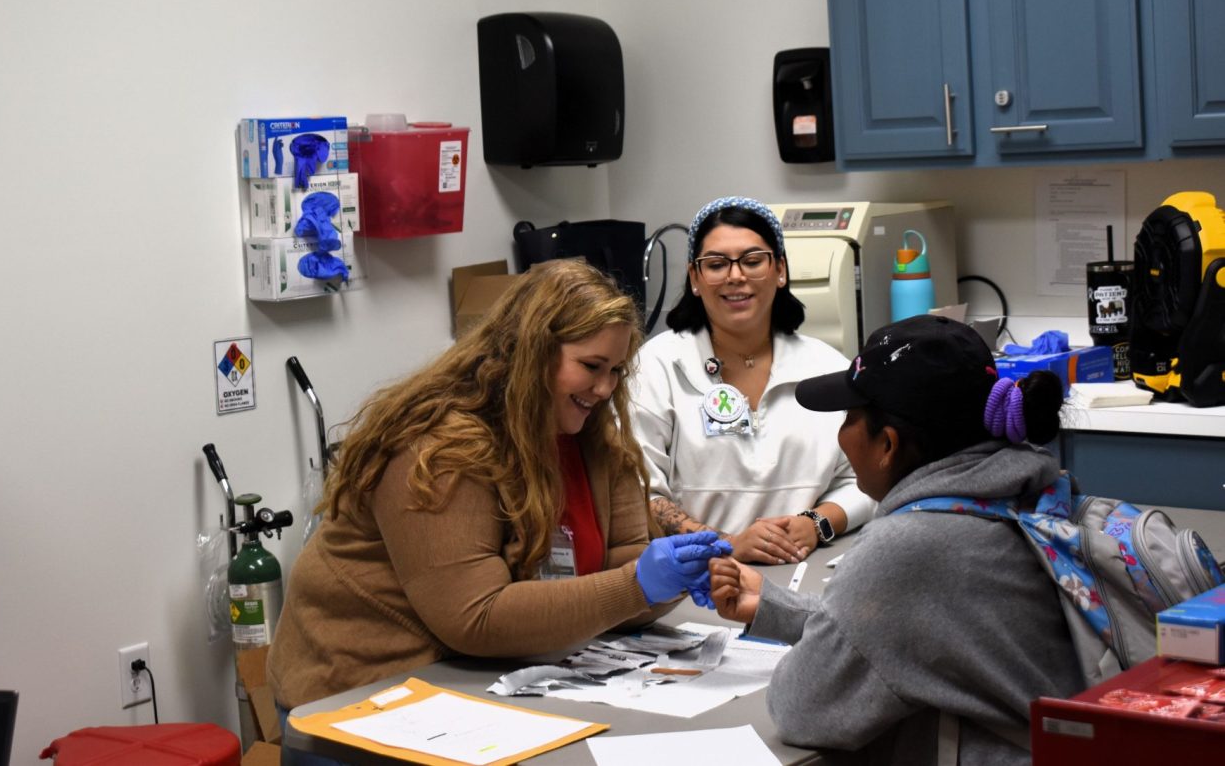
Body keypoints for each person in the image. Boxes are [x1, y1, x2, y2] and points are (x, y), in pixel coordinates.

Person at [268, 258, 730, 716]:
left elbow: (621, 569)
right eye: (592, 366)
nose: (606, 388)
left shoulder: (594, 439)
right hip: (361, 697)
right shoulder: (438, 451)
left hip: (488, 680)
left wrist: (672, 580)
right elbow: (476, 616)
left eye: (617, 371)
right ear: (531, 354)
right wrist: (638, 585)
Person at [710, 315, 1084, 765]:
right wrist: (777, 610)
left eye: (850, 416)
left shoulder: (909, 545)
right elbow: (922, 624)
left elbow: (800, 708)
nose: (842, 433)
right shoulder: (1030, 491)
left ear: (887, 445)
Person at [631, 196, 874, 564]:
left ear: (780, 271)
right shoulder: (656, 366)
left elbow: (866, 479)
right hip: (695, 578)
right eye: (715, 264)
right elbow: (638, 493)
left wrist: (815, 524)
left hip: (803, 573)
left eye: (752, 260)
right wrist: (726, 544)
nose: (735, 276)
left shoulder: (826, 367)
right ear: (695, 279)